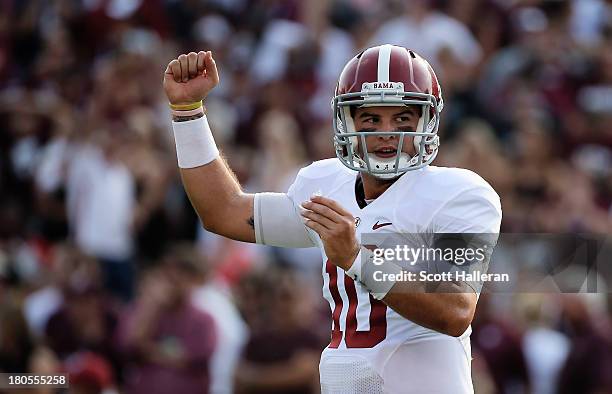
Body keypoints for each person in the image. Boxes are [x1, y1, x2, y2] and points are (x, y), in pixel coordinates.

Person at [163, 44, 502, 393]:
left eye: (402, 117)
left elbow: (455, 311)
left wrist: (358, 259)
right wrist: (188, 111)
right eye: (371, 118)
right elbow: (224, 212)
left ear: (426, 121)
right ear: (347, 121)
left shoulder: (459, 194)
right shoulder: (325, 184)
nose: (386, 131)